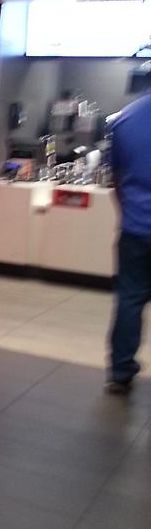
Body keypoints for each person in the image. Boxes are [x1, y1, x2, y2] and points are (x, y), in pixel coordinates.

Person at [106, 90, 151, 394]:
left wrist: (130, 212)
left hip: (135, 227)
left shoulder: (126, 118)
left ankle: (121, 371)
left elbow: (115, 178)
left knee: (129, 299)